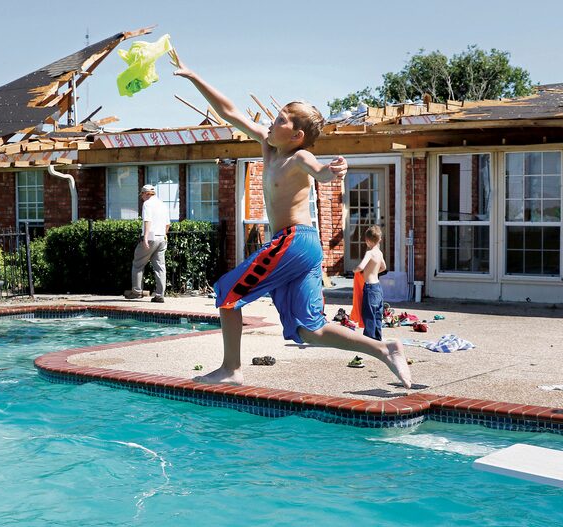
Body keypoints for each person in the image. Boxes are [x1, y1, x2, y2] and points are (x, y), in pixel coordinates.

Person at [171, 53, 412, 389]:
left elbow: (322, 173)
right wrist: (194, 77)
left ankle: (231, 368)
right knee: (308, 330)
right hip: (303, 246)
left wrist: (335, 171)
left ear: (297, 135)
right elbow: (230, 112)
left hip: (294, 240)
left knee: (227, 292)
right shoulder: (269, 148)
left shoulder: (300, 156)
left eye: (281, 119)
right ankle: (384, 348)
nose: (272, 121)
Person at [124, 184, 171, 303]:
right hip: (162, 238)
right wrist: (164, 235)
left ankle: (136, 292)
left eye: (142, 194)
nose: (142, 197)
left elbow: (147, 221)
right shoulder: (162, 204)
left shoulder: (147, 204)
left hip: (151, 237)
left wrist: (145, 238)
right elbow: (167, 224)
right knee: (160, 267)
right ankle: (160, 295)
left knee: (138, 264)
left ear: (146, 193)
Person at [354, 225, 386, 341]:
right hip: (378, 287)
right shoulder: (380, 253)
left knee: (368, 314)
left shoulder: (369, 253)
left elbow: (361, 266)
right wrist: (375, 272)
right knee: (377, 314)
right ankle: (378, 338)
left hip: (369, 288)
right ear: (379, 240)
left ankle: (369, 340)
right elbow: (384, 267)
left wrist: (355, 270)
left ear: (367, 241)